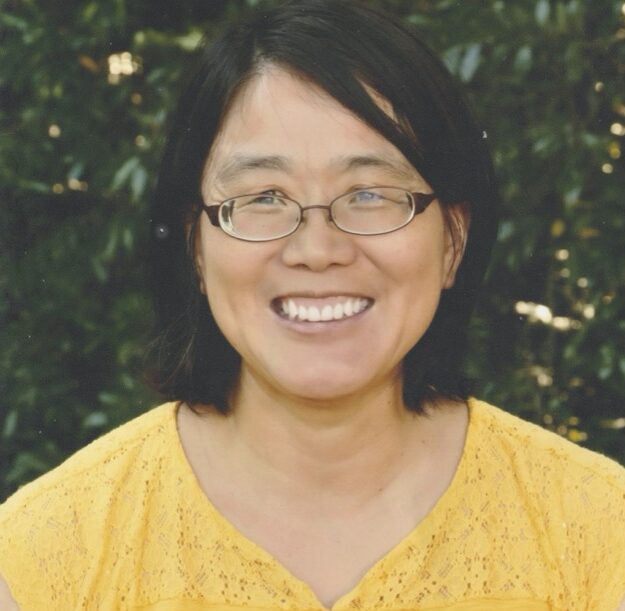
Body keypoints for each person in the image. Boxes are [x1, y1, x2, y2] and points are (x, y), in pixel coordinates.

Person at [1, 1, 625, 609]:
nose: (317, 250)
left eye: (372, 194)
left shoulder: (600, 536)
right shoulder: (40, 560)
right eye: (264, 197)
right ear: (195, 245)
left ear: (453, 242)